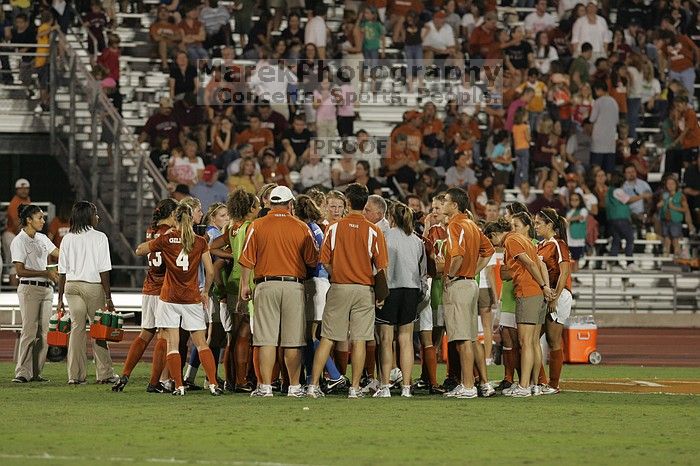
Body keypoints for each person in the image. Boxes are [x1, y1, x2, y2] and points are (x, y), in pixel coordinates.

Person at [306, 183, 388, 399]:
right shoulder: (374, 230)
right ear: (365, 204)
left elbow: (324, 261)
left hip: (339, 287)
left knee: (328, 337)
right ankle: (354, 388)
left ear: (348, 203)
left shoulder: (334, 228)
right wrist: (381, 294)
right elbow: (381, 266)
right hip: (364, 289)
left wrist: (336, 275)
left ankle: (313, 386)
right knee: (360, 339)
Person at [239, 186, 319, 397]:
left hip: (265, 285)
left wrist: (245, 285)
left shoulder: (257, 225)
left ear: (271, 203)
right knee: (293, 340)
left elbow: (247, 259)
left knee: (266, 339)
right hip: (294, 286)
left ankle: (265, 387)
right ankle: (293, 386)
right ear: (290, 204)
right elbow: (312, 259)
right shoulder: (301, 227)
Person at [135, 201, 220, 396]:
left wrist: (152, 244)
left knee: (172, 344)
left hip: (169, 298)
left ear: (176, 219)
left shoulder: (167, 238)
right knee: (201, 343)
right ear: (190, 219)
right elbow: (210, 271)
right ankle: (214, 384)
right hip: (191, 298)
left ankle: (179, 386)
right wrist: (205, 291)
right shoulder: (199, 241)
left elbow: (140, 250)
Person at [112, 199, 178, 393]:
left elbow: (143, 250)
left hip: (148, 287)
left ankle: (125, 374)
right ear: (172, 214)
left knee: (145, 334)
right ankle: (154, 382)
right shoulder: (170, 233)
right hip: (163, 290)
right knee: (163, 336)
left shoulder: (151, 230)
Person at [484, 214, 552, 398]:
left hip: (528, 292)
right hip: (536, 293)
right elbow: (539, 263)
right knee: (534, 343)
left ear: (495, 234)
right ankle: (535, 385)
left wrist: (545, 286)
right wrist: (544, 288)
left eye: (492, 240)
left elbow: (529, 263)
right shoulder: (524, 239)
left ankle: (523, 386)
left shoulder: (511, 241)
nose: (494, 245)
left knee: (525, 342)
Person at [441, 188, 496, 399]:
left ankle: (467, 385)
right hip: (470, 284)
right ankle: (481, 383)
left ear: (454, 205)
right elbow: (488, 250)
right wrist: (474, 271)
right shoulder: (472, 224)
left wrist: (450, 275)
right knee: (472, 338)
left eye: (446, 201)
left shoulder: (454, 225)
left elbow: (457, 256)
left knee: (462, 339)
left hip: (460, 285)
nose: (444, 204)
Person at [57, 202, 117, 385]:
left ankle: (75, 376)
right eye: (95, 213)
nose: (97, 217)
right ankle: (104, 374)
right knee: (98, 330)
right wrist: (108, 296)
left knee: (77, 329)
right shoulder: (99, 237)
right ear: (88, 217)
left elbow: (62, 271)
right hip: (92, 286)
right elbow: (104, 270)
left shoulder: (67, 238)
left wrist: (59, 298)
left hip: (71, 287)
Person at [374, 202, 427, 398]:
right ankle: (406, 387)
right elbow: (423, 272)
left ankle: (385, 386)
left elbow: (379, 268)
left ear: (391, 218)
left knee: (387, 340)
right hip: (411, 291)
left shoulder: (384, 237)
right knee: (406, 340)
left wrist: (379, 294)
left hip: (390, 291)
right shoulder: (417, 241)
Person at [209, 189, 260, 392]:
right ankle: (242, 381)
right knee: (246, 335)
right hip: (248, 283)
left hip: (233, 283)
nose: (260, 208)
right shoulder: (251, 227)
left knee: (235, 334)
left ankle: (233, 379)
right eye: (257, 205)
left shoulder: (231, 227)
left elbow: (212, 246)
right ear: (250, 208)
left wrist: (231, 256)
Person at [294, 195, 345, 391]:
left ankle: (334, 375)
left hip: (315, 282)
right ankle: (311, 378)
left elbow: (313, 259)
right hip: (321, 282)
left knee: (312, 334)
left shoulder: (306, 229)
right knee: (309, 334)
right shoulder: (316, 228)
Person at [10, 205, 59, 383]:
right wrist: (46, 272)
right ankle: (22, 372)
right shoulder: (19, 241)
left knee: (44, 334)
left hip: (46, 289)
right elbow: (20, 271)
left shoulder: (43, 238)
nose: (43, 221)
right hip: (29, 288)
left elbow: (58, 253)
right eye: (40, 217)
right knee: (29, 331)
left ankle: (36, 372)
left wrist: (74, 250)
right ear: (29, 220)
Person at [534, 208, 573, 395]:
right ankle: (541, 381)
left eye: (538, 223)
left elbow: (564, 272)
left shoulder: (558, 244)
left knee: (553, 339)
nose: (536, 226)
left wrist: (555, 297)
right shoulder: (541, 245)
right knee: (531, 339)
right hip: (547, 296)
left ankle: (553, 384)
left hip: (559, 295)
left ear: (550, 224)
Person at [2, 178, 32, 287]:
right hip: (11, 234)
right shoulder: (15, 203)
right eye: (21, 189)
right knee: (14, 264)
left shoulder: (27, 200)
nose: (24, 191)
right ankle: (12, 292)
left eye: (26, 188)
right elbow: (17, 224)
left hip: (18, 235)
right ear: (17, 190)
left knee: (22, 264)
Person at [658, 175, 694, 257]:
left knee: (675, 239)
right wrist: (660, 204)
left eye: (672, 183)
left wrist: (674, 208)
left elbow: (685, 208)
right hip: (665, 220)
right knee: (666, 238)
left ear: (676, 185)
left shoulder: (680, 196)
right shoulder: (664, 195)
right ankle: (666, 254)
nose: (670, 185)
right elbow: (661, 203)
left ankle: (677, 254)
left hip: (675, 220)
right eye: (668, 183)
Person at [589, 80, 619, 173]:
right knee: (608, 171)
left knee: (597, 169)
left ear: (598, 90)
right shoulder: (614, 102)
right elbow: (617, 120)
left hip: (598, 140)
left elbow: (592, 119)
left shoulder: (598, 102)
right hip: (610, 140)